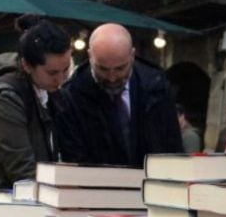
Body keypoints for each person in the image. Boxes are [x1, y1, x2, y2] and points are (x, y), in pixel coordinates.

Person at [0, 15, 72, 195]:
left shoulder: (47, 92)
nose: (60, 79)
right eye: (52, 72)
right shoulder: (5, 98)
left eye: (66, 69)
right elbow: (22, 170)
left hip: (20, 199)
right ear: (27, 65)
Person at [58, 23, 183, 167]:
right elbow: (74, 159)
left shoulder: (157, 86)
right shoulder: (71, 97)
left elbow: (173, 147)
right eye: (103, 69)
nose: (112, 77)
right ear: (90, 56)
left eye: (120, 68)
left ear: (132, 55)